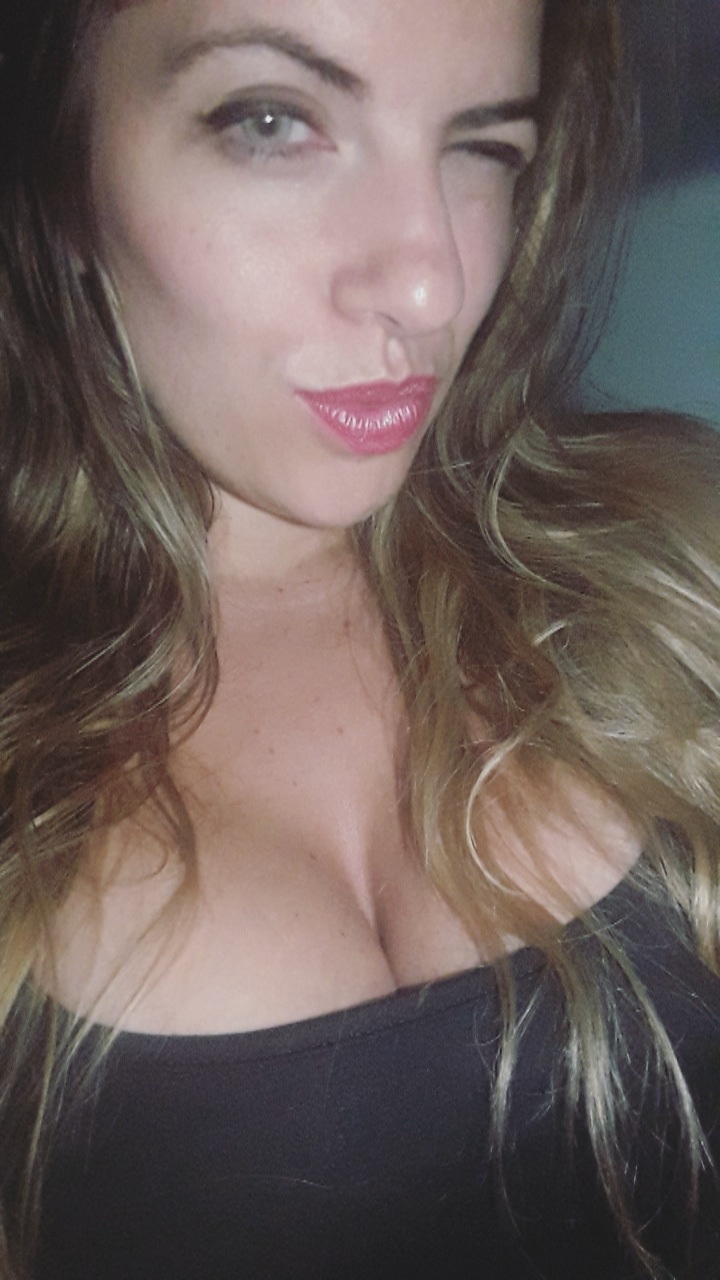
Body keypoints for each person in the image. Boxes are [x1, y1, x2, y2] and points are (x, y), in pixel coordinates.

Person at [0, 1, 719, 1277]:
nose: (431, 279)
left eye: (482, 146)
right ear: (62, 161)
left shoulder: (679, 559)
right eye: (273, 123)